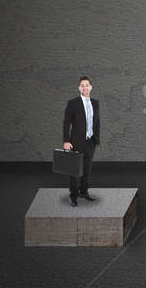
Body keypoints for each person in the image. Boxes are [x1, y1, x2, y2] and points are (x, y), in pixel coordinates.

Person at [63, 76, 100, 206]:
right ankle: (73, 195)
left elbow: (97, 122)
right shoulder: (73, 103)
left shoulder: (95, 103)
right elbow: (66, 123)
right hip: (75, 142)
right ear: (79, 88)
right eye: (82, 85)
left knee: (87, 168)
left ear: (91, 87)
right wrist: (66, 141)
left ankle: (84, 192)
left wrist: (97, 138)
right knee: (74, 169)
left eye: (87, 85)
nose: (85, 87)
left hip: (90, 142)